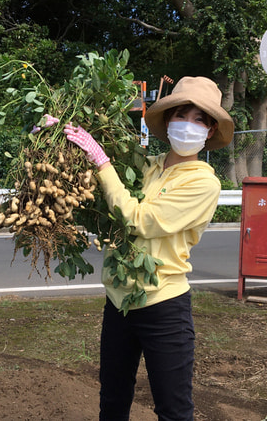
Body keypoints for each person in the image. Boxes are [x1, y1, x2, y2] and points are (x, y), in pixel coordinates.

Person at [64, 76, 234, 421]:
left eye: (199, 119)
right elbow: (107, 198)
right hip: (119, 300)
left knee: (173, 410)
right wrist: (67, 138)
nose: (188, 125)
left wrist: (101, 160)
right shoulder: (148, 166)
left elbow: (137, 219)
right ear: (168, 121)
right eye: (180, 115)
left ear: (211, 131)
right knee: (112, 399)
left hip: (163, 304)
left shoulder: (203, 182)